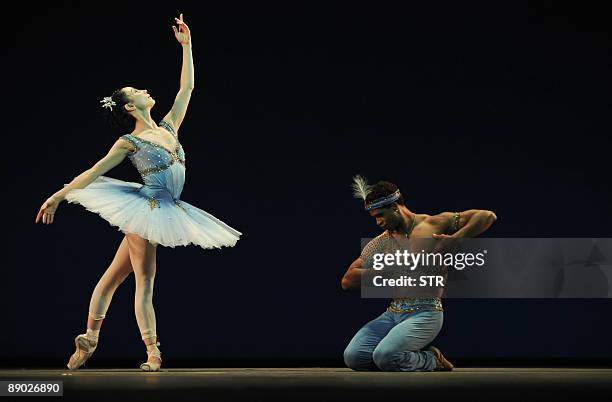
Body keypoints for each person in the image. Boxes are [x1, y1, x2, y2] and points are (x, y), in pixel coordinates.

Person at [35, 14, 241, 372]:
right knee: (145, 278)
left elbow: (187, 89)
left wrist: (187, 47)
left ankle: (90, 338)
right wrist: (59, 195)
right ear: (131, 107)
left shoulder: (168, 125)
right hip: (146, 207)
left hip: (166, 205)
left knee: (115, 276)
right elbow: (94, 171)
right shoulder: (130, 141)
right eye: (137, 92)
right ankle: (153, 351)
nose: (146, 91)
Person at [341, 176, 496, 371]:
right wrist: (388, 268)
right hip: (392, 313)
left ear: (395, 207)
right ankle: (399, 358)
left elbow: (487, 216)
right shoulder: (382, 242)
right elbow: (347, 280)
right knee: (353, 357)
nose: (378, 222)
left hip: (426, 312)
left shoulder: (434, 224)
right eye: (374, 217)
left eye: (380, 215)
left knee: (384, 356)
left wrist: (456, 239)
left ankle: (431, 359)